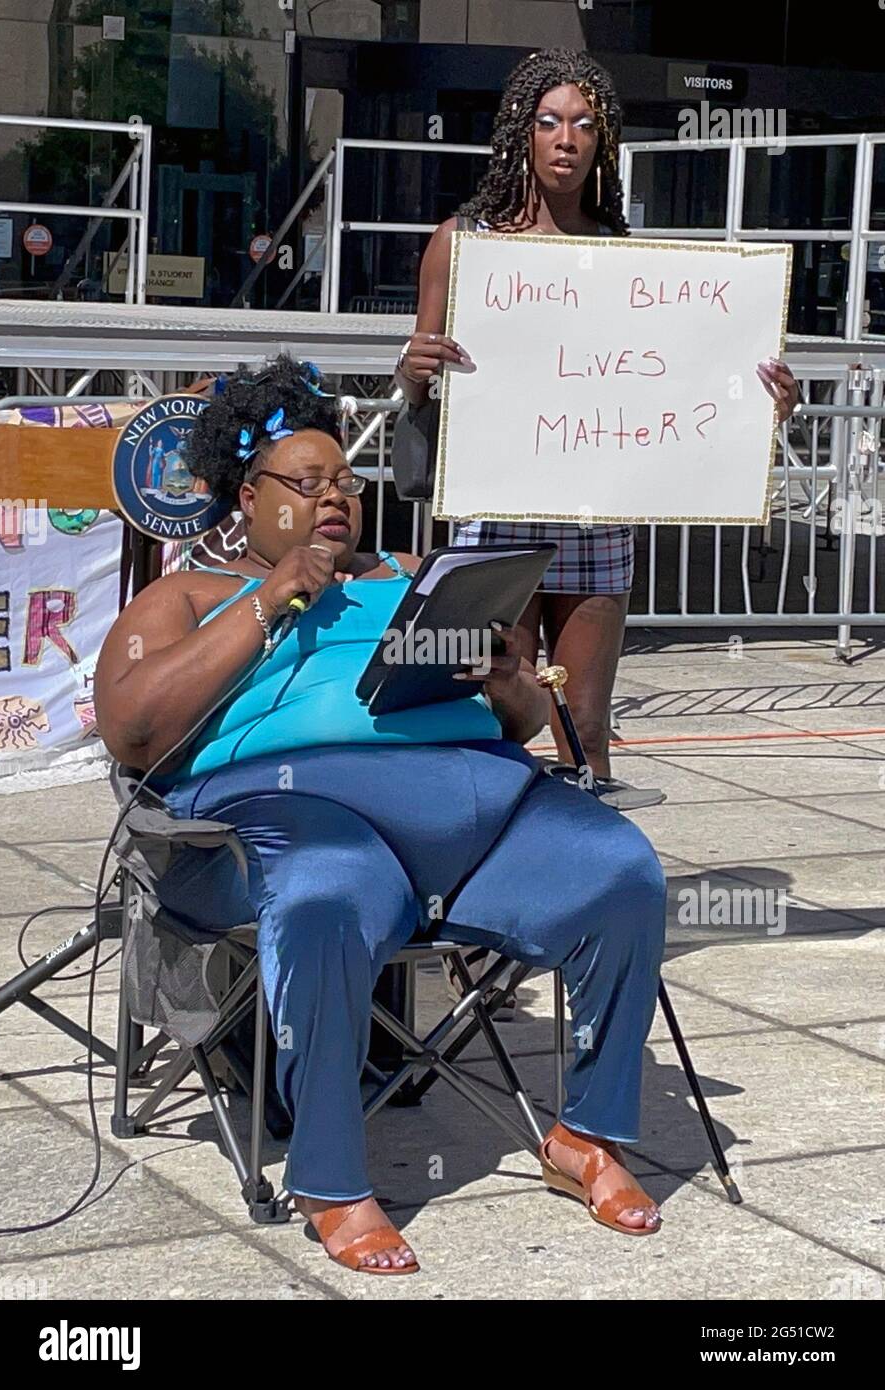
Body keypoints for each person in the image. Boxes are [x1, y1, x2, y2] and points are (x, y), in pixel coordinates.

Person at [95, 353, 669, 1276]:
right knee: (328, 888)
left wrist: (505, 673)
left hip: (477, 807)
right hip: (294, 813)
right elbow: (130, 726)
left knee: (620, 870)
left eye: (347, 482)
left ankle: (587, 1133)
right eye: (307, 482)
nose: (337, 497)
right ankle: (330, 1180)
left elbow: (520, 723)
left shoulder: (411, 576)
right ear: (247, 497)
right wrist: (267, 602)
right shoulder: (192, 595)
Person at [396, 46, 799, 804]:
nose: (566, 139)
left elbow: (687, 375)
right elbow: (420, 383)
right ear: (521, 131)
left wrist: (764, 402)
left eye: (584, 124)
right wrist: (412, 373)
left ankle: (592, 881)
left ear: (603, 142)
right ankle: (487, 868)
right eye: (549, 121)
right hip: (499, 514)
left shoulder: (624, 255)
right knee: (496, 705)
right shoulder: (466, 243)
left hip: (596, 513)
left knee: (583, 720)